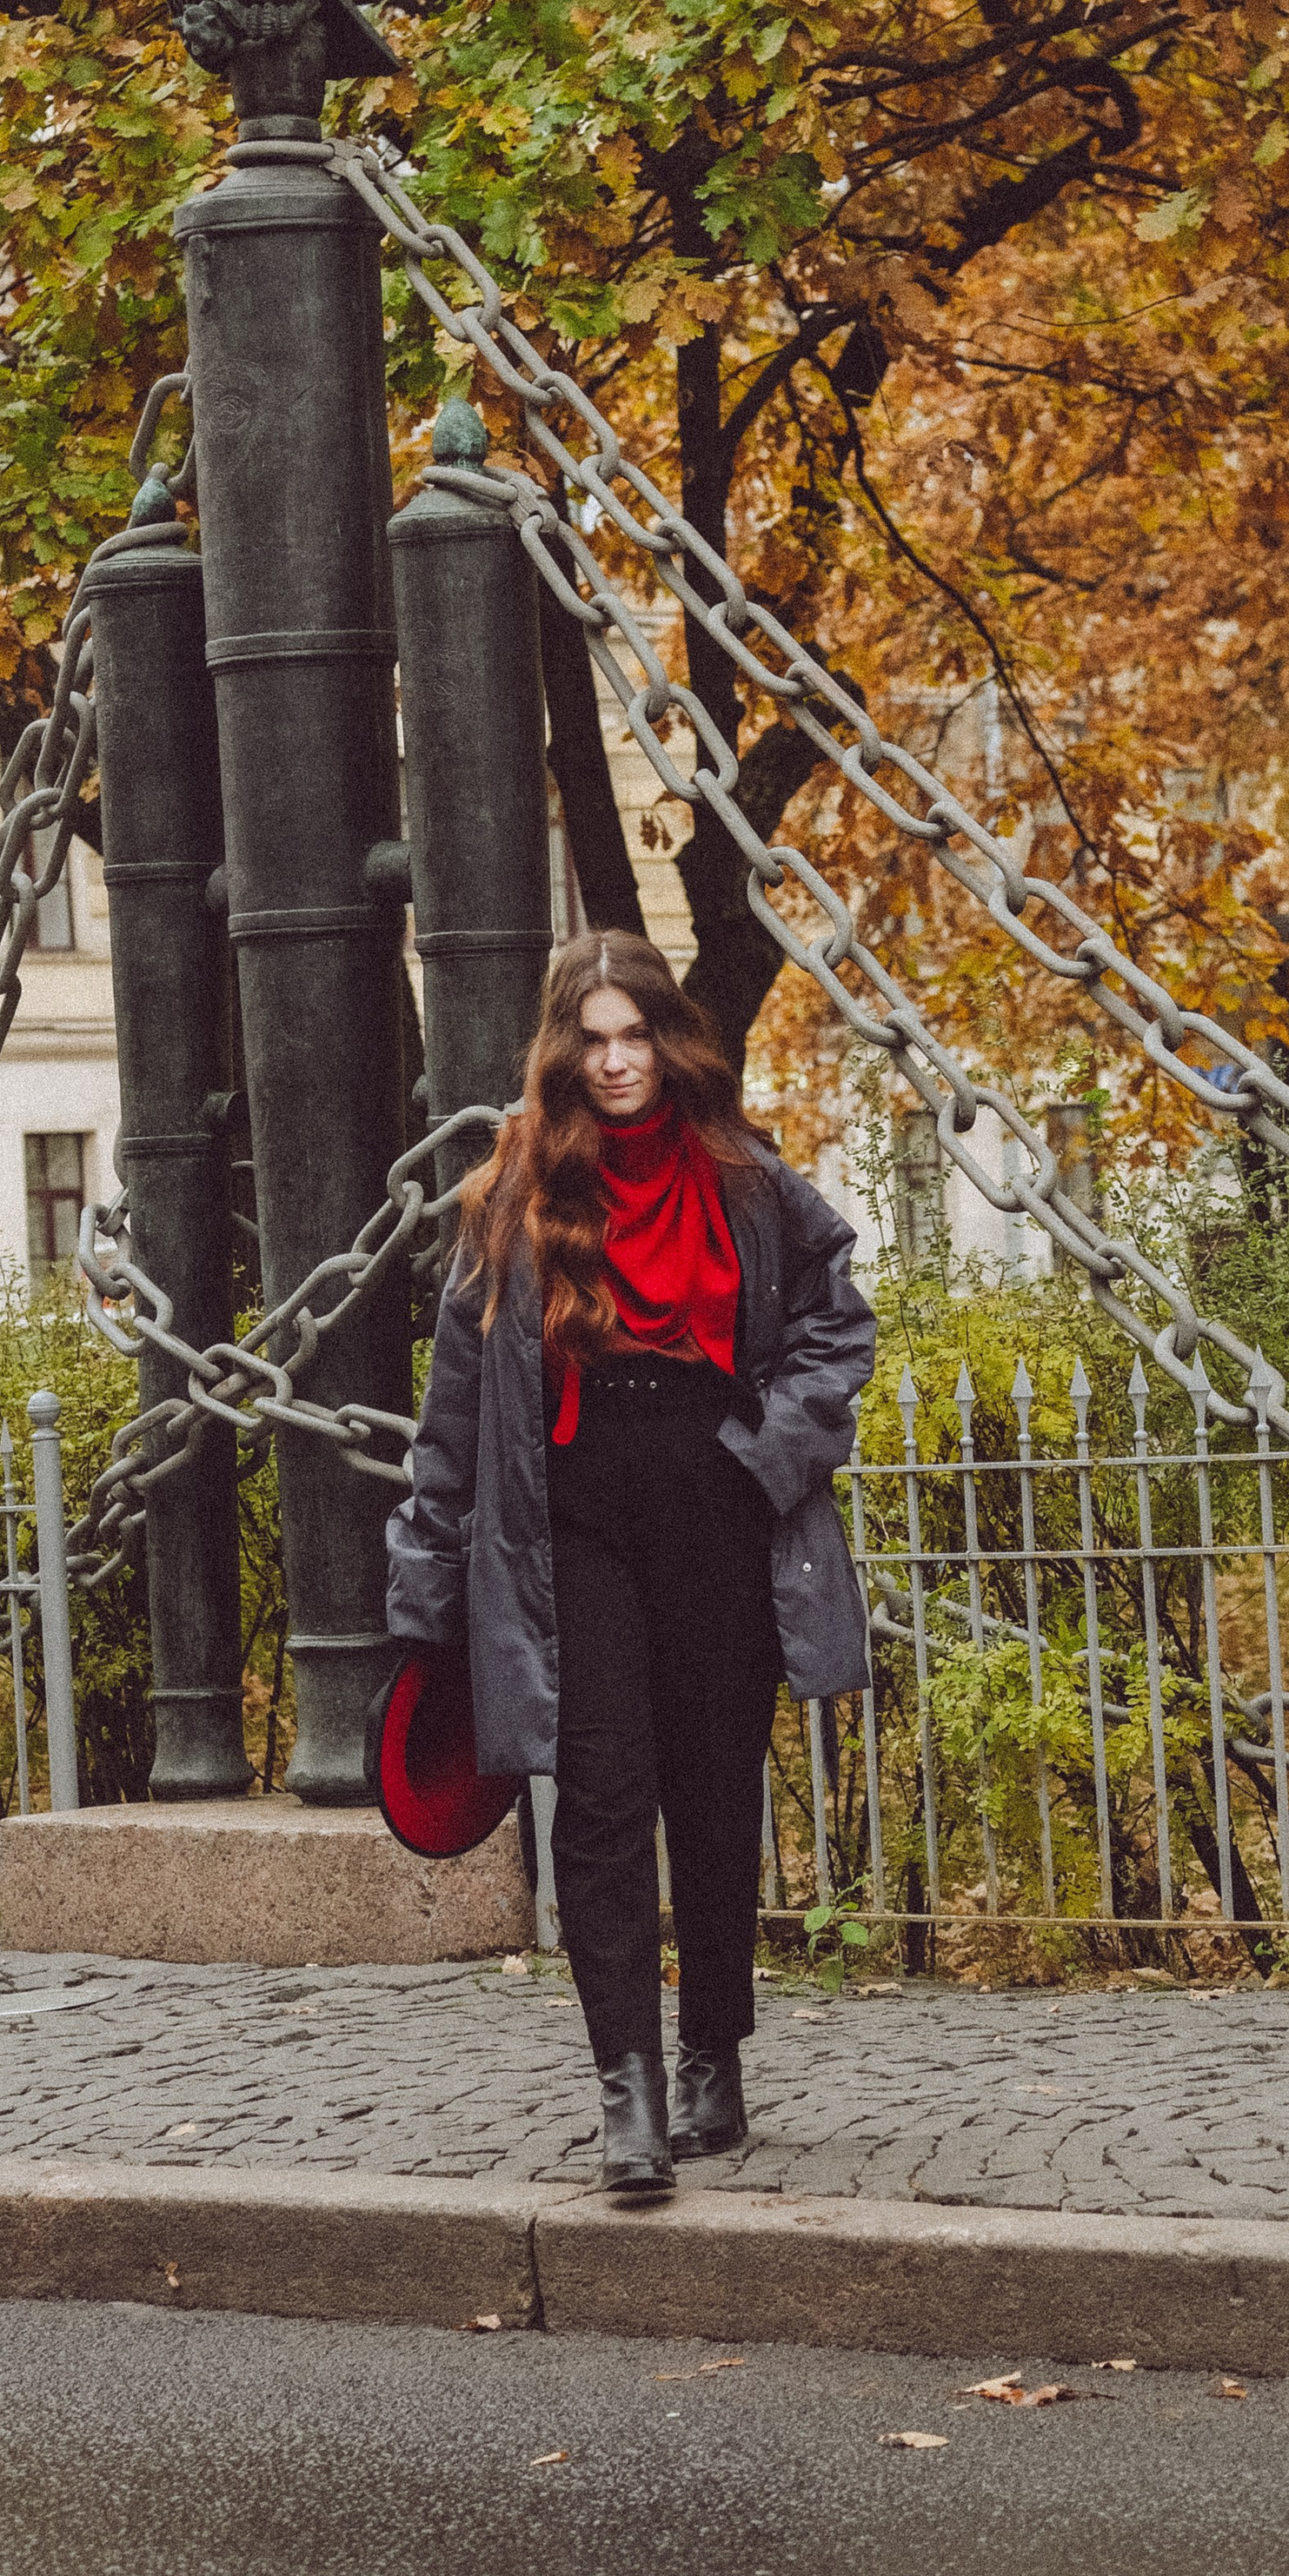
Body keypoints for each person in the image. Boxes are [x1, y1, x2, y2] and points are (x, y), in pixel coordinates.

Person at [386, 929, 877, 2200]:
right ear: (562, 1051)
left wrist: (771, 1453)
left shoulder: (751, 1182)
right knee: (602, 1801)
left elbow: (838, 1319)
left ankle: (715, 2047)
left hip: (719, 1500)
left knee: (714, 1793)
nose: (617, 1062)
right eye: (592, 1039)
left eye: (636, 1034)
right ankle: (629, 2088)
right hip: (574, 1519)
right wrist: (425, 1584)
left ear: (671, 1039)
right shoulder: (512, 1199)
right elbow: (453, 1411)